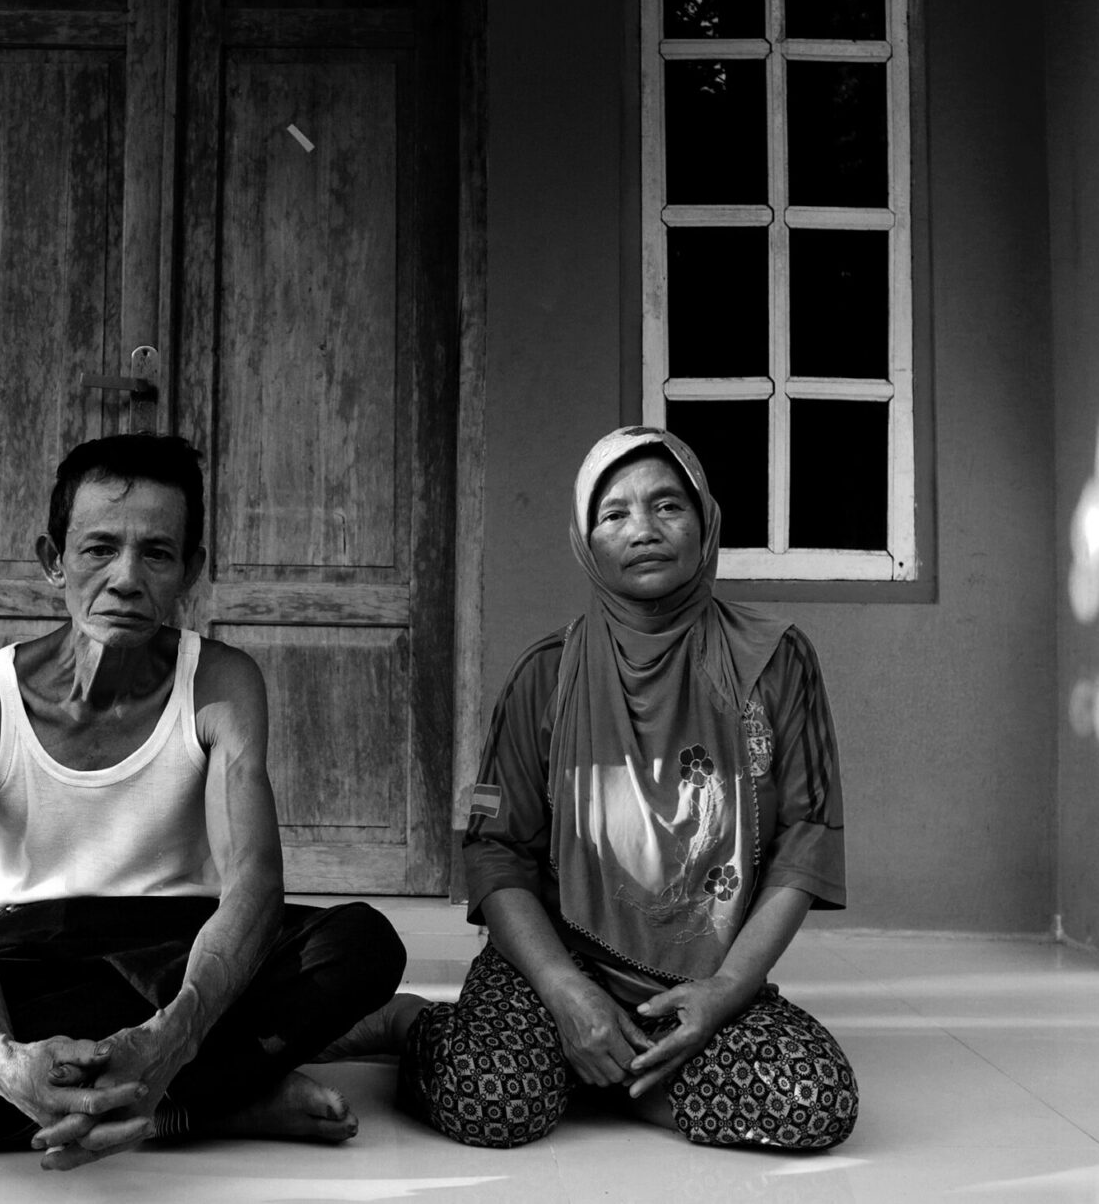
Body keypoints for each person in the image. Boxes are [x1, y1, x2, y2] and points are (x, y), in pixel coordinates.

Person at [0, 433, 405, 1170]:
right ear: (54, 561)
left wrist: (173, 1032)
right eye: (100, 549)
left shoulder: (221, 683)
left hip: (183, 957)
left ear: (191, 571)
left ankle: (114, 1093)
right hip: (33, 962)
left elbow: (253, 886)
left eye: (158, 554)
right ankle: (198, 1104)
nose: (126, 579)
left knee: (361, 944)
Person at [349, 425, 858, 1150]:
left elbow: (805, 841)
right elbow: (494, 851)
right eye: (614, 513)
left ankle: (598, 1077)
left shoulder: (777, 662)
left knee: (815, 1100)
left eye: (668, 506)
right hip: (558, 962)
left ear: (707, 521)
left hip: (701, 976)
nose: (643, 529)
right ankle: (413, 1024)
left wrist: (724, 993)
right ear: (586, 541)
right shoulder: (546, 675)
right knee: (490, 1103)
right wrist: (564, 993)